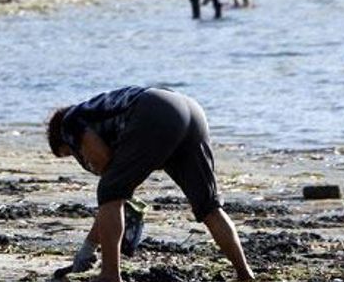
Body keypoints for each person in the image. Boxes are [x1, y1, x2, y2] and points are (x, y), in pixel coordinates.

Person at [47, 86, 255, 282]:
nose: (82, 158)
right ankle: (244, 274)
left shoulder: (70, 122)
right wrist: (89, 248)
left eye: (71, 153)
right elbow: (113, 197)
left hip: (155, 110)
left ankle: (110, 276)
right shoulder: (104, 119)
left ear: (66, 141)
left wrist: (88, 247)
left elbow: (105, 167)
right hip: (190, 110)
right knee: (209, 207)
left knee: (110, 190)